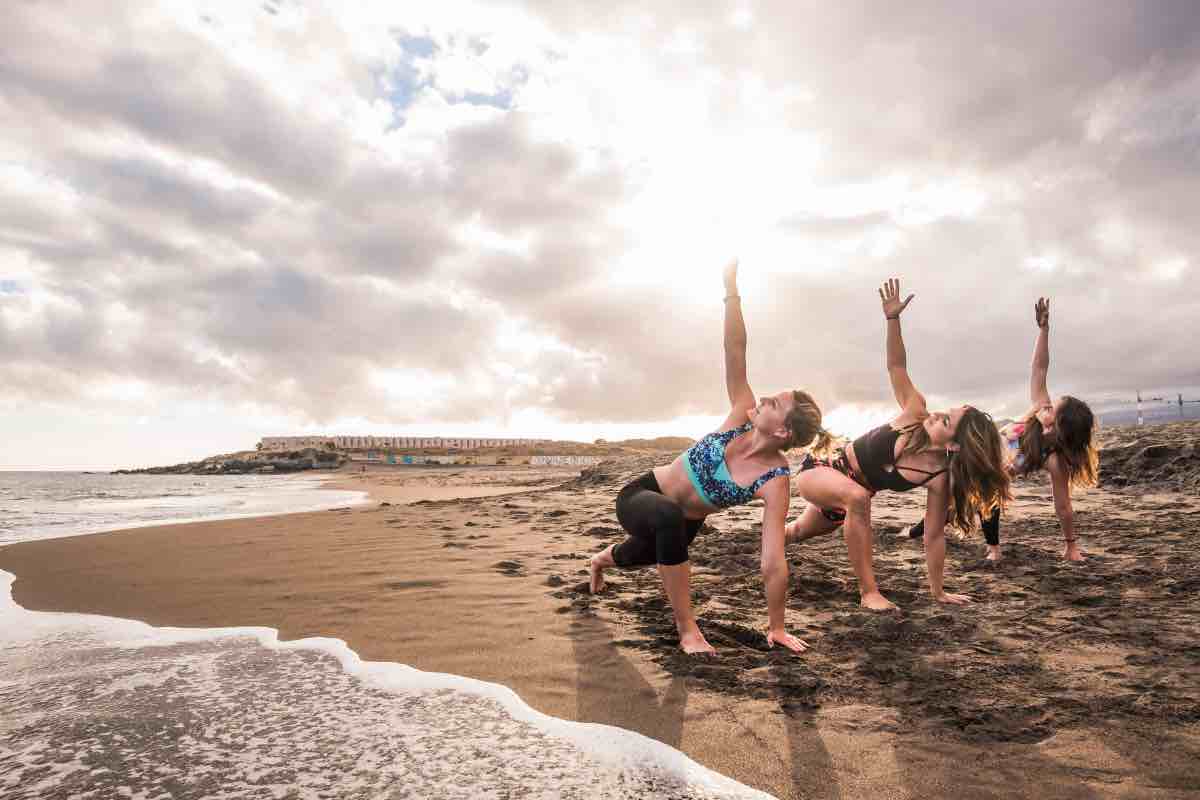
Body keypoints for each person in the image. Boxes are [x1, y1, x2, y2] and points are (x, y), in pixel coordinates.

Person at [588, 261, 832, 655]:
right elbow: (735, 349)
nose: (764, 398)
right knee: (665, 516)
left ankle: (599, 561)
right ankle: (688, 631)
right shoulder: (741, 414)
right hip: (642, 496)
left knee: (638, 554)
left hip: (682, 527)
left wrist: (778, 627)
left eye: (775, 403)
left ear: (783, 432)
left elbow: (773, 558)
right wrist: (731, 290)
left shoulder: (774, 479)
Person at [785, 279, 1012, 611]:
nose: (936, 414)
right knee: (859, 496)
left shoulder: (939, 476)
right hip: (822, 470)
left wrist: (939, 592)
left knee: (792, 534)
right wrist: (893, 320)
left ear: (958, 447)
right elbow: (896, 366)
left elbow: (933, 536)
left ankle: (764, 543)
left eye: (946, 421)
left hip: (844, 506)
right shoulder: (914, 413)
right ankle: (869, 594)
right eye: (944, 412)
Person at [908, 298, 1097, 561]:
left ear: (1062, 427)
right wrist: (1044, 331)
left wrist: (1071, 545)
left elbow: (1063, 506)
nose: (1047, 404)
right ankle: (917, 531)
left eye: (1054, 407)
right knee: (950, 501)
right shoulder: (1038, 412)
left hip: (993, 475)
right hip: (977, 449)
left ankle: (993, 548)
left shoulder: (1055, 460)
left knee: (979, 496)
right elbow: (1039, 368)